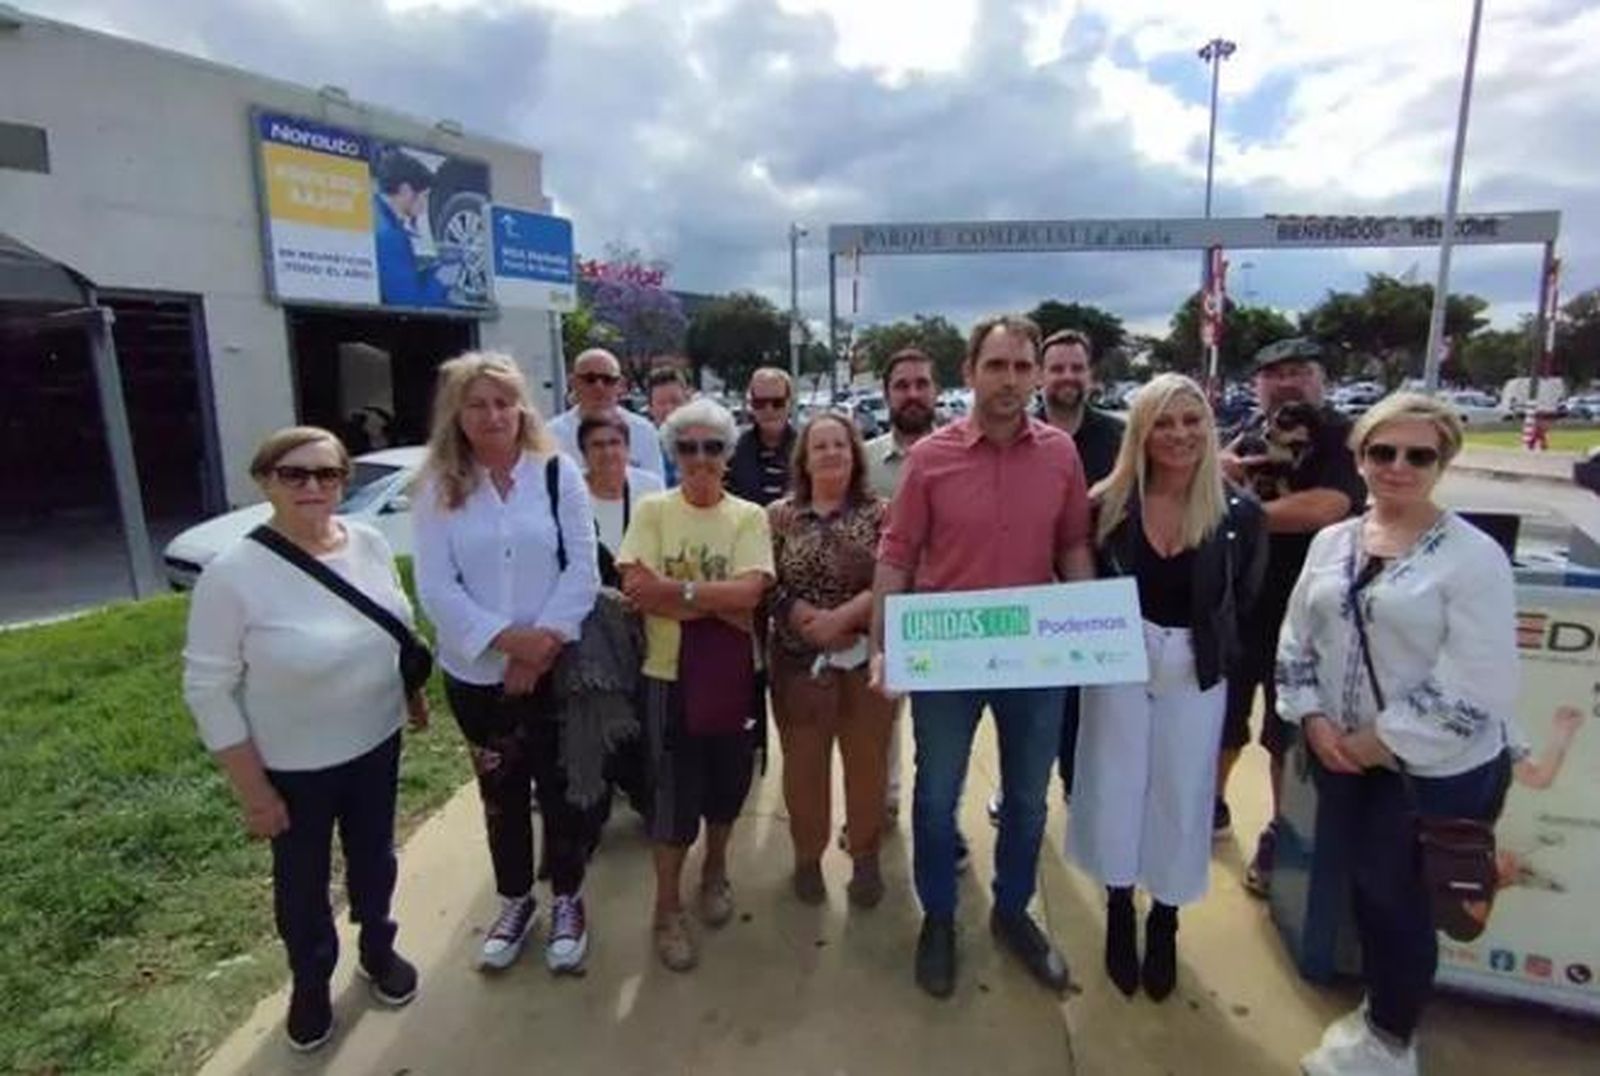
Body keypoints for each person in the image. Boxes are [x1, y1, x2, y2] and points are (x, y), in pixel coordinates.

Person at [1277, 393, 1517, 1076]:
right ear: (1360, 458)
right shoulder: (1333, 541)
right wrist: (1314, 718)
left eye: (1420, 455)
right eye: (1383, 452)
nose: (1399, 467)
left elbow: (1478, 681)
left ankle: (1391, 1043)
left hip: (1432, 770)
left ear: (1444, 462)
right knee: (1368, 891)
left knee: (1402, 901)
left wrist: (1373, 743)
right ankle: (1381, 1014)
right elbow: (1298, 636)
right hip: (1340, 755)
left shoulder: (1473, 558)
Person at [183, 426, 426, 1053]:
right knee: (302, 882)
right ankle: (311, 982)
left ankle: (378, 945)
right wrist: (256, 794)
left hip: (376, 740)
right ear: (265, 482)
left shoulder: (368, 543)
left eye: (328, 474)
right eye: (295, 475)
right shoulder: (233, 575)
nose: (314, 487)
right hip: (294, 764)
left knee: (376, 856)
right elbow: (207, 689)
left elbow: (396, 625)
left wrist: (412, 692)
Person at [872, 314, 1094, 1000]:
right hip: (949, 656)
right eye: (996, 366)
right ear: (968, 373)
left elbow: (1073, 546)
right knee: (936, 799)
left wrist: (1086, 631)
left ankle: (1011, 911)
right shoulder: (930, 458)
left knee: (1027, 800)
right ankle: (939, 916)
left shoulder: (1059, 453)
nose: (1011, 380)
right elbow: (897, 554)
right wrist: (883, 646)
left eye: (1023, 367)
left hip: (1033, 659)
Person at [1067, 375, 1265, 1001]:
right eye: (1164, 422)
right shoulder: (1107, 505)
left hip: (1194, 661)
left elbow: (1247, 598)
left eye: (1192, 420)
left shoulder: (1240, 515)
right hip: (1121, 655)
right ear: (1142, 432)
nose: (1179, 435)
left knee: (1182, 789)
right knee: (1114, 780)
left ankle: (1167, 916)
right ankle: (1120, 903)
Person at [412, 352, 603, 975]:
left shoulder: (557, 474)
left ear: (521, 408)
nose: (493, 415)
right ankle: (516, 899)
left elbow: (583, 568)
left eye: (503, 401)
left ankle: (569, 898)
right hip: (477, 677)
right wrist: (505, 643)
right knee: (502, 794)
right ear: (457, 415)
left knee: (563, 786)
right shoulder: (439, 487)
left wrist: (541, 644)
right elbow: (437, 586)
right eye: (477, 404)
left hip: (555, 668)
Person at [616, 398, 774, 972]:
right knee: (671, 802)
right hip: (667, 676)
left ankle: (714, 872)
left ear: (729, 455)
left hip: (732, 675)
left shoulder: (749, 516)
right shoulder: (654, 510)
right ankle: (666, 909)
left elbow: (750, 596)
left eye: (713, 447)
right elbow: (637, 587)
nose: (701, 458)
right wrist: (714, 599)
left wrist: (676, 593)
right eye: (688, 447)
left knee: (728, 789)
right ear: (673, 453)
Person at [1218, 337, 1365, 895]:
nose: (1285, 382)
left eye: (1298, 371)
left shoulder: (1342, 435)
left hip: (1311, 611)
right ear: (1257, 383)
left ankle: (1281, 833)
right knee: (1223, 717)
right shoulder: (1246, 431)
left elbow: (1327, 507)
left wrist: (1236, 509)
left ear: (1321, 377)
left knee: (1287, 731)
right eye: (1272, 373)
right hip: (1240, 601)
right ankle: (1210, 808)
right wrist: (1222, 471)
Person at [989, 328, 1126, 826]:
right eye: (1057, 368)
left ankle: (1078, 788)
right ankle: (1016, 790)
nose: (1067, 377)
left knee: (1086, 709)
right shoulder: (1011, 433)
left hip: (1098, 593)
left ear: (1091, 375)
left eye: (1077, 368)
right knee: (1024, 710)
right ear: (1041, 376)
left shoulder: (1121, 438)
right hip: (1027, 595)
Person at [768, 413, 895, 908]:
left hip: (865, 660)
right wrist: (801, 615)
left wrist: (843, 619)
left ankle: (865, 858)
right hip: (798, 664)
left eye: (840, 444)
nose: (831, 453)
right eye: (819, 446)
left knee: (867, 767)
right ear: (804, 457)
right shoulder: (778, 516)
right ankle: (806, 858)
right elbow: (764, 581)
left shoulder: (882, 514)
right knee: (803, 769)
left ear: (854, 453)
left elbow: (893, 575)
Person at [862, 348, 969, 870]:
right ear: (886, 394)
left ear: (936, 390)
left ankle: (943, 823)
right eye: (901, 385)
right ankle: (878, 805)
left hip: (948, 617)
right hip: (886, 611)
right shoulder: (863, 461)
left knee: (945, 733)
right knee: (881, 721)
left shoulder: (966, 454)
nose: (912, 394)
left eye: (921, 384)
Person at [548, 348, 665, 481]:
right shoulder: (552, 434)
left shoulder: (643, 431)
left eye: (608, 380)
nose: (599, 386)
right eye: (590, 379)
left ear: (620, 384)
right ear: (573, 382)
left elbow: (655, 488)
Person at [580, 410, 665, 586]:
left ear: (627, 448)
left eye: (614, 443)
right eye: (598, 445)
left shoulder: (650, 487)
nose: (608, 452)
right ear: (584, 453)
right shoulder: (571, 492)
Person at [372, 147, 451, 308]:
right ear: (406, 190)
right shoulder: (390, 236)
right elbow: (412, 303)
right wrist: (445, 276)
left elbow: (402, 280)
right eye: (425, 196)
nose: (426, 204)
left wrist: (434, 269)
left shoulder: (375, 210)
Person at [727, 367, 797, 507]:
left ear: (790, 403)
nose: (768, 409)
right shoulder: (732, 451)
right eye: (760, 403)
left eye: (777, 403)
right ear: (751, 405)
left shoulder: (809, 450)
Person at [647, 366, 692, 485]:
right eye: (661, 403)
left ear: (687, 402)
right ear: (651, 408)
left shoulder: (710, 449)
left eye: (675, 401)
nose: (669, 409)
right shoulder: (640, 450)